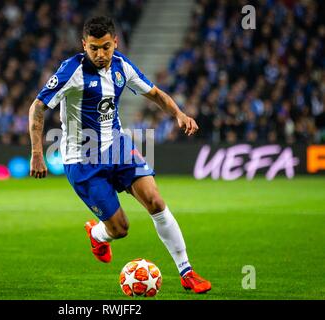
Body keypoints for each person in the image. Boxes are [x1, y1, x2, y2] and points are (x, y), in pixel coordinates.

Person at [29, 16, 211, 294]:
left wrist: (179, 114)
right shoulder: (71, 71)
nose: (100, 54)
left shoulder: (122, 65)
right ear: (84, 45)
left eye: (105, 47)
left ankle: (186, 271)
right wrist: (37, 153)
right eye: (93, 48)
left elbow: (155, 94)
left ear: (115, 42)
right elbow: (38, 107)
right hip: (82, 160)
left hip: (117, 146)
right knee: (120, 228)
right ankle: (97, 233)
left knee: (156, 201)